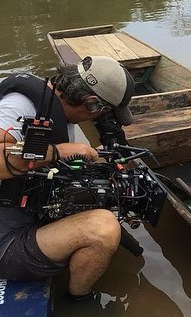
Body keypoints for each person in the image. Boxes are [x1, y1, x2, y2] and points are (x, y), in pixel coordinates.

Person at [0, 55, 135, 300]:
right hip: (5, 238)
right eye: (102, 113)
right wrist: (57, 151)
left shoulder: (55, 107)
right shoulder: (19, 105)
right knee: (103, 229)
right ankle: (80, 301)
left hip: (23, 214)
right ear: (92, 104)